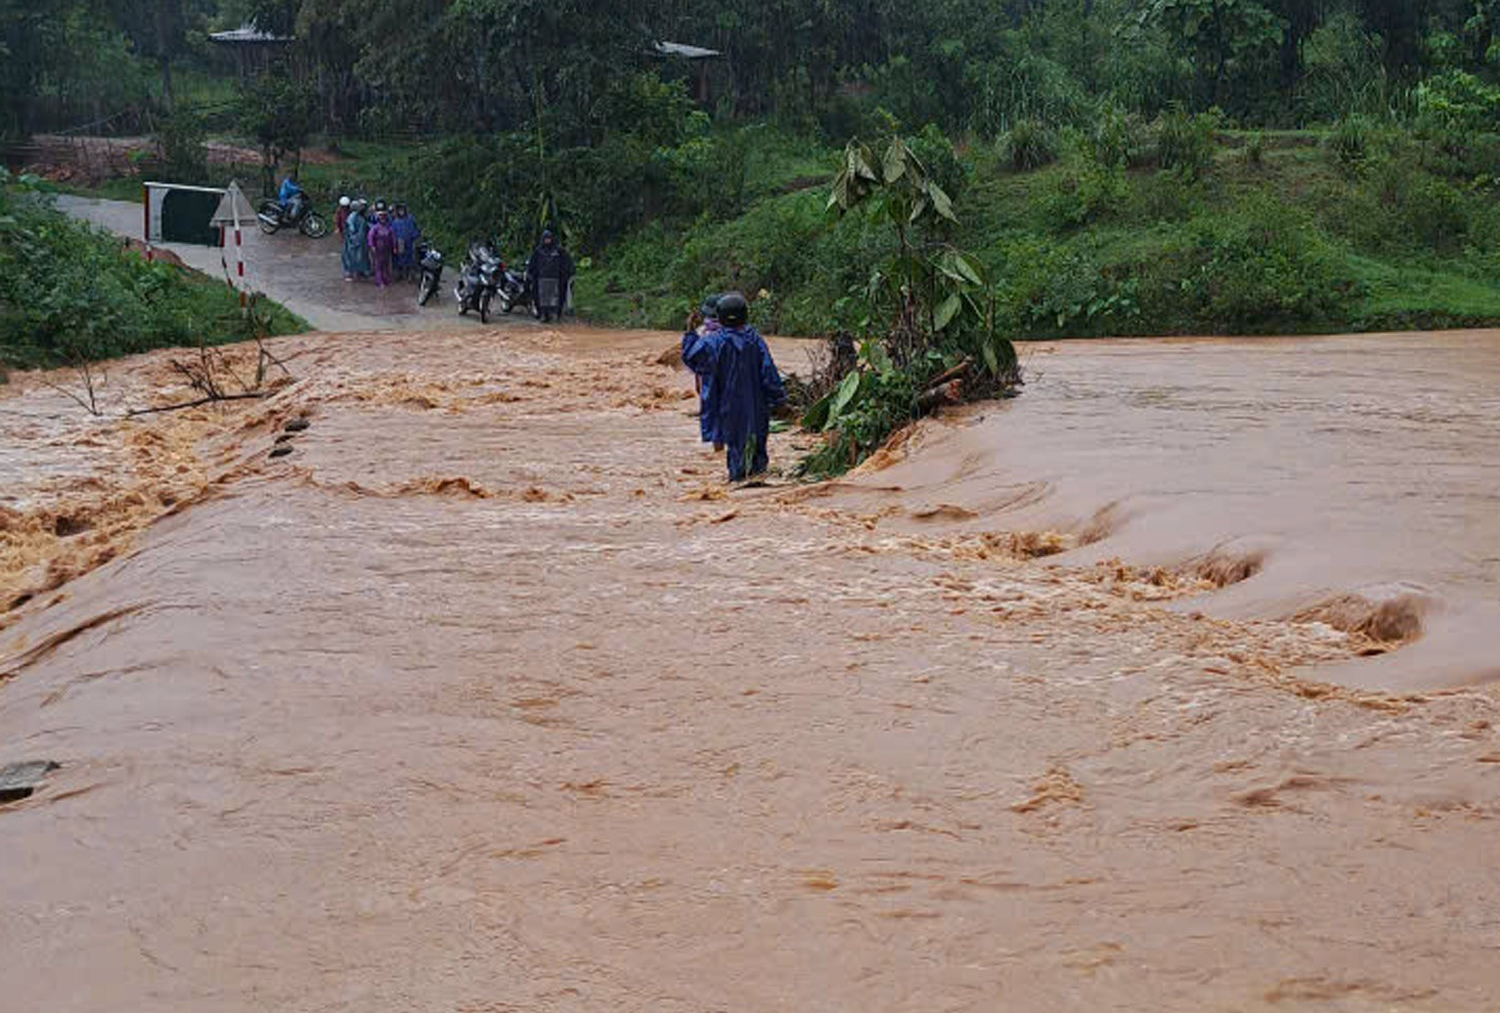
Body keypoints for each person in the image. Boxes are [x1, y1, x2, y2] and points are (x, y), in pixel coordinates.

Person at [682, 291, 786, 482]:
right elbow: (769, 372)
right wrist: (779, 400)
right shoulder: (755, 340)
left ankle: (739, 483)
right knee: (757, 447)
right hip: (756, 406)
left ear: (720, 317)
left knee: (736, 449)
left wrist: (689, 332)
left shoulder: (712, 342)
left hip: (727, 407)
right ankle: (755, 484)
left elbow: (691, 357)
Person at [693, 294, 724, 449]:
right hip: (731, 381)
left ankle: (718, 451)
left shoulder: (702, 333)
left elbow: (695, 361)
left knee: (715, 420)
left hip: (709, 382)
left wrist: (699, 384)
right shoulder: (737, 330)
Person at [526, 229, 574, 323]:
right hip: (541, 279)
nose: (547, 241)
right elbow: (533, 265)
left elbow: (567, 263)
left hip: (556, 279)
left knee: (556, 297)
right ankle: (544, 315)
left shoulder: (559, 251)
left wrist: (568, 274)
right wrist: (530, 275)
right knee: (542, 298)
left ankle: (556, 314)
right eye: (546, 239)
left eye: (549, 238)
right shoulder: (538, 251)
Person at [390, 203, 421, 281]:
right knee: (400, 258)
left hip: (410, 241)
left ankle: (410, 275)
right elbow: (393, 233)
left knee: (411, 258)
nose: (401, 212)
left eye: (402, 210)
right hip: (400, 242)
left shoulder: (410, 218)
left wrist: (415, 236)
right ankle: (401, 274)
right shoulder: (395, 221)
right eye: (399, 210)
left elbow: (416, 228)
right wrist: (394, 243)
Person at [342, 200, 371, 281]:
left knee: (361, 256)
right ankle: (351, 274)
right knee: (352, 257)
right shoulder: (353, 217)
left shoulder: (361, 217)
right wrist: (355, 240)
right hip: (354, 241)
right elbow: (351, 230)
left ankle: (360, 273)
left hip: (360, 241)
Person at [367, 210, 396, 289]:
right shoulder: (375, 228)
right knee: (378, 265)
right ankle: (379, 281)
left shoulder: (389, 227)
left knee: (386, 265)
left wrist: (394, 247)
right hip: (378, 249)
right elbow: (370, 237)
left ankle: (386, 280)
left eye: (384, 216)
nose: (382, 218)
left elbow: (393, 238)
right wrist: (372, 246)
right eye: (380, 216)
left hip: (387, 249)